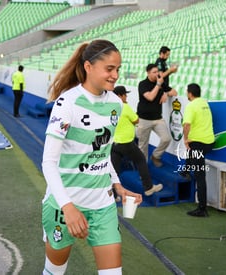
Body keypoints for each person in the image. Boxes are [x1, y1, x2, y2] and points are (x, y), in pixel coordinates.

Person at [41, 39, 142, 275]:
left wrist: (118, 185)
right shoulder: (67, 103)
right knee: (54, 271)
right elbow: (48, 163)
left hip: (102, 205)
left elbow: (102, 155)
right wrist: (68, 207)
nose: (115, 75)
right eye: (109, 69)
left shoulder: (116, 104)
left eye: (118, 69)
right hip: (63, 205)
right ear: (88, 66)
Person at [111, 85, 163, 196]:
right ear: (120, 95)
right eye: (125, 95)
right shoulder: (124, 106)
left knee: (114, 170)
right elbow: (136, 120)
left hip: (114, 143)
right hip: (126, 142)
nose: (126, 97)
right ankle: (148, 187)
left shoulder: (110, 106)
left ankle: (114, 195)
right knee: (140, 160)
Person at [182, 83, 215, 217]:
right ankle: (185, 170)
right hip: (209, 141)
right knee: (191, 151)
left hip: (199, 144)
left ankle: (202, 209)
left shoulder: (191, 106)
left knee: (200, 176)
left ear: (190, 93)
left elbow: (187, 125)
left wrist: (185, 139)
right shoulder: (205, 103)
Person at [136, 63, 178, 167]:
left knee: (166, 138)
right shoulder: (143, 84)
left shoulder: (161, 83)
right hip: (144, 119)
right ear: (148, 73)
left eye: (157, 72)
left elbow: (174, 92)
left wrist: (166, 94)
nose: (156, 74)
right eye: (154, 72)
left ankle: (156, 156)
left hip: (157, 118)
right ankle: (143, 169)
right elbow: (150, 97)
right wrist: (158, 85)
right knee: (143, 146)